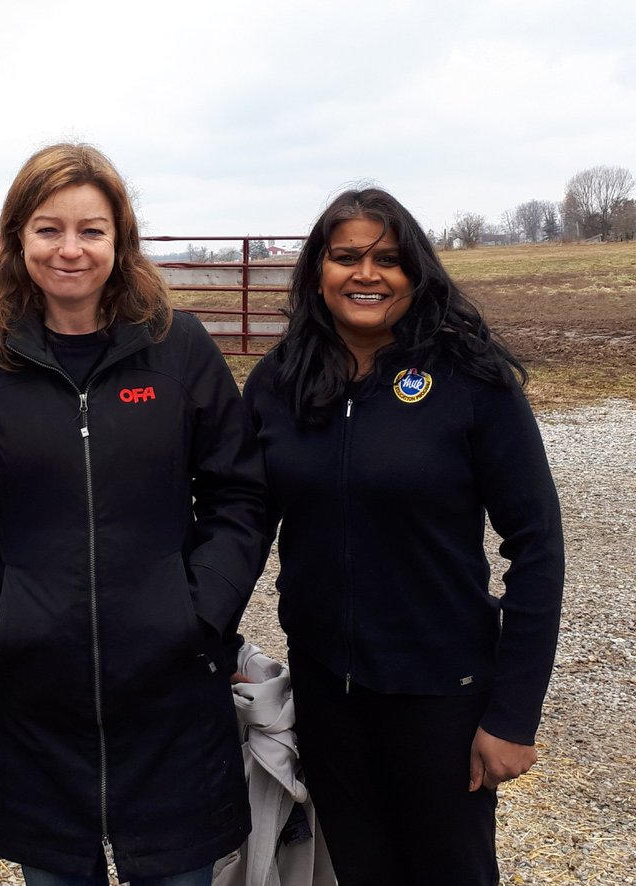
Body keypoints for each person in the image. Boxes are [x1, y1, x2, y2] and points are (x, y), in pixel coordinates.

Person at [0, 143, 267, 886]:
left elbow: (238, 496)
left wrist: (198, 613)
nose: (69, 249)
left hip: (169, 694)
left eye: (91, 230)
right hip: (36, 705)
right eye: (48, 229)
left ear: (120, 240)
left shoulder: (179, 350)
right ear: (17, 241)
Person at [241, 188, 564, 885]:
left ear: (415, 272)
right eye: (346, 256)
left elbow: (537, 545)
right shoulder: (280, 383)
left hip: (443, 696)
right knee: (359, 872)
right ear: (317, 272)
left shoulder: (471, 381)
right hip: (328, 691)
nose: (366, 273)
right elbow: (239, 524)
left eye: (387, 258)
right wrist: (206, 647)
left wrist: (513, 713)